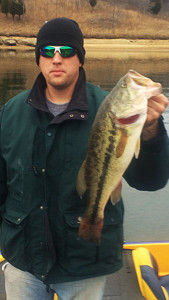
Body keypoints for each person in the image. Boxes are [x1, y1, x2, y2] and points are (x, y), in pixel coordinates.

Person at [0, 17, 169, 300]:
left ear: (80, 58)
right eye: (47, 51)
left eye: (66, 51)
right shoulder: (11, 112)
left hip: (85, 263)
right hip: (23, 261)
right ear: (38, 59)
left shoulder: (111, 108)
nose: (56, 59)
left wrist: (152, 130)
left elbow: (150, 181)